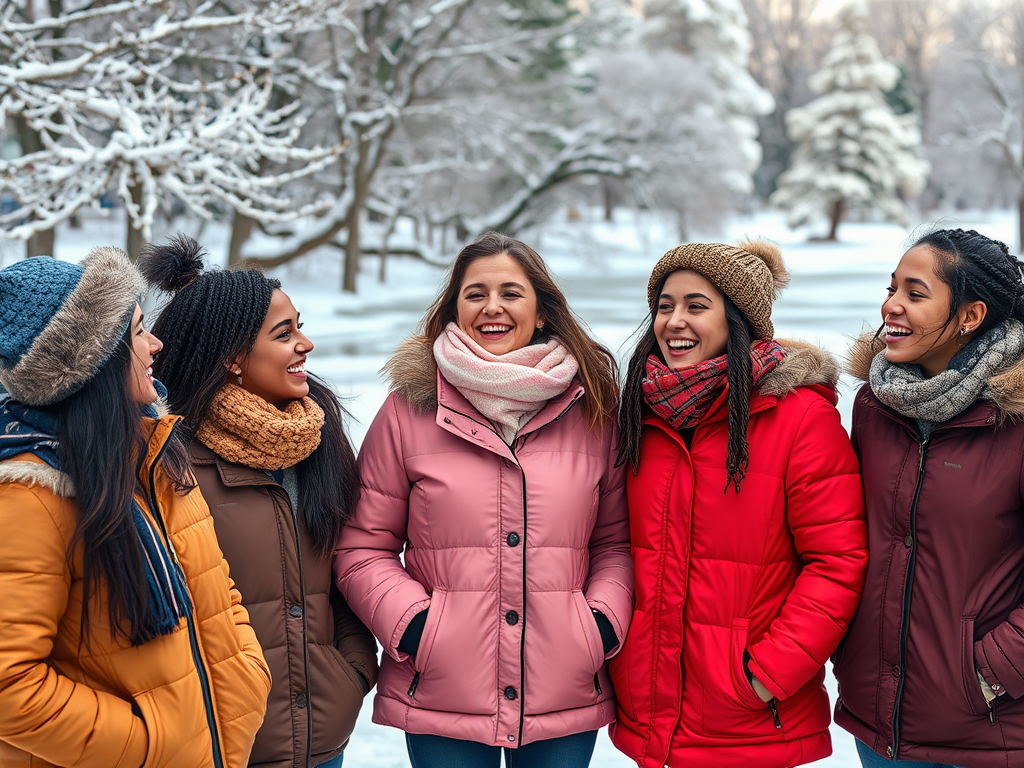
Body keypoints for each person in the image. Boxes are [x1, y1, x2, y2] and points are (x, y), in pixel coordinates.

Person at [333, 231, 633, 768]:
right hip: (442, 684)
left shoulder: (593, 412)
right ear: (454, 309)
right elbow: (361, 549)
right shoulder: (408, 411)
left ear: (541, 310)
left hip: (562, 682)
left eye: (511, 292)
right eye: (475, 294)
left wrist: (598, 624)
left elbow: (616, 542)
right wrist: (419, 627)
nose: (492, 307)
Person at [0, 247, 271, 768]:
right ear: (94, 360)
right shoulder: (29, 492)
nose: (156, 345)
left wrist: (246, 678)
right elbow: (9, 686)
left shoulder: (151, 455)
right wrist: (152, 744)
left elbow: (215, 588)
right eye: (139, 331)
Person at [608, 240, 868, 768]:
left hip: (750, 719)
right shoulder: (640, 418)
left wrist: (765, 675)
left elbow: (838, 562)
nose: (674, 321)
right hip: (652, 713)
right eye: (664, 306)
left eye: (696, 306)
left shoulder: (797, 419)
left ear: (738, 320)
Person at [140, 235, 378, 768]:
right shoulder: (170, 463)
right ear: (232, 358)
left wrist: (352, 670)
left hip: (321, 739)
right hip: (221, 743)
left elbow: (344, 570)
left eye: (301, 326)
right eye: (284, 333)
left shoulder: (319, 443)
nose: (305, 345)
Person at [835, 228, 1024, 768]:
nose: (890, 305)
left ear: (969, 315)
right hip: (879, 723)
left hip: (985, 727)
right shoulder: (876, 404)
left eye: (915, 294)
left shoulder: (1016, 416)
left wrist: (989, 672)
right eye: (891, 287)